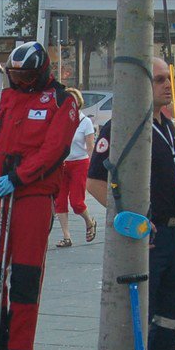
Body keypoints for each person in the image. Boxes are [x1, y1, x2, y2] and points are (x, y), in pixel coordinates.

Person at [87, 56, 175, 350]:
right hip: (145, 239)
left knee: (172, 314)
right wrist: (130, 221)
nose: (168, 85)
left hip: (174, 233)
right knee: (142, 317)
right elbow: (94, 183)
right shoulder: (122, 127)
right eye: (160, 79)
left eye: (170, 78)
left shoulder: (169, 126)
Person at [0, 41, 79, 350]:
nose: (20, 81)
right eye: (15, 75)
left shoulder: (62, 102)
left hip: (32, 196)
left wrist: (20, 176)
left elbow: (56, 149)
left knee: (23, 280)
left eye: (26, 75)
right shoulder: (6, 97)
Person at [54, 94, 97, 248]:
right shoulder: (61, 119)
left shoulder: (85, 122)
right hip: (63, 164)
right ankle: (66, 237)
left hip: (80, 163)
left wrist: (94, 168)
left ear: (78, 103)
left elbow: (90, 147)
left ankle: (89, 221)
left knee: (77, 202)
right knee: (59, 201)